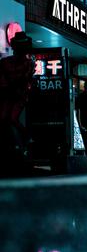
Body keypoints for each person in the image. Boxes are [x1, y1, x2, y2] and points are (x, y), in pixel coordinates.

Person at [0, 31, 35, 175]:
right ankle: (19, 142)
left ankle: (26, 138)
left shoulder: (28, 63)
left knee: (10, 118)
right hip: (7, 94)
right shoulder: (6, 62)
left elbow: (25, 80)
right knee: (4, 118)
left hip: (18, 95)